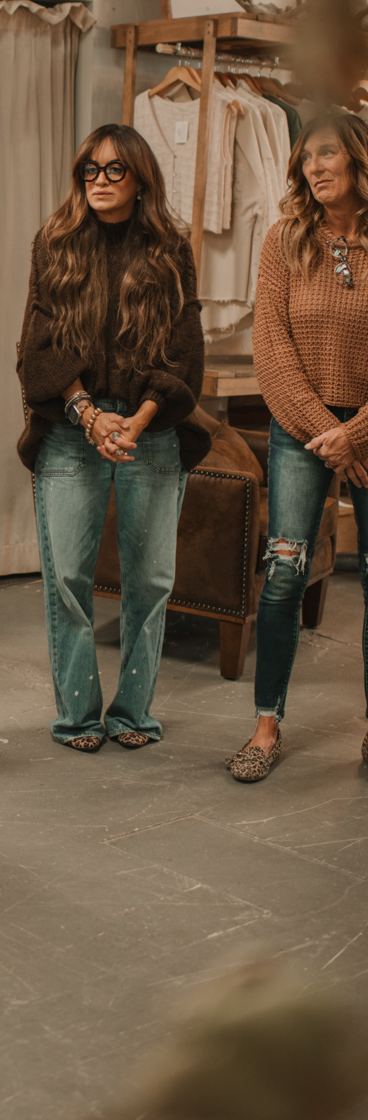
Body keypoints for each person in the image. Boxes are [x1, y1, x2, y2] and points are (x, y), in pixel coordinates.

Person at [17, 123, 209, 752]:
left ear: (140, 177)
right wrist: (87, 415)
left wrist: (142, 416)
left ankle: (132, 714)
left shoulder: (171, 250)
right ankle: (76, 716)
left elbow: (185, 349)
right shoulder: (56, 242)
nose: (99, 182)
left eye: (114, 171)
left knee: (150, 581)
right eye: (89, 171)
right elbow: (37, 348)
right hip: (73, 427)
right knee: (67, 576)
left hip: (149, 427)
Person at [229, 112, 368, 782]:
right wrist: (327, 436)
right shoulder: (283, 240)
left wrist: (356, 434)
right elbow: (271, 351)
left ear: (358, 162)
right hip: (299, 431)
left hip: (365, 430)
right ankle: (264, 725)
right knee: (283, 572)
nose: (313, 167)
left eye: (327, 154)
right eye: (305, 157)